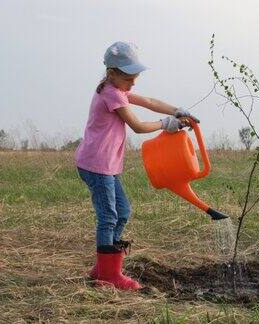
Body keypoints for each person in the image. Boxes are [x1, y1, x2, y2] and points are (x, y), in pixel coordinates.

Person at [74, 41, 199, 290]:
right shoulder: (111, 94)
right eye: (130, 77)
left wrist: (177, 110)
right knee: (109, 216)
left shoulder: (116, 89)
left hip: (105, 165)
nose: (134, 82)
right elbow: (138, 126)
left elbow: (150, 101)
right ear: (112, 74)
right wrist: (166, 123)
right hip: (96, 165)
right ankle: (108, 276)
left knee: (123, 212)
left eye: (136, 76)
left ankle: (103, 268)